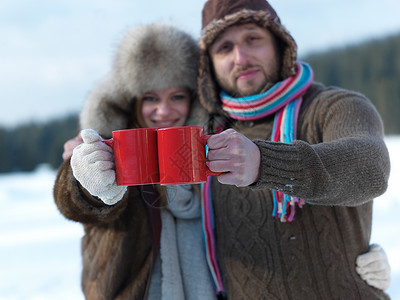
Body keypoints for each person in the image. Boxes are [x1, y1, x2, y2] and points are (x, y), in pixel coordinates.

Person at [55, 21, 390, 300]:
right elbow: (75, 202)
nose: (163, 110)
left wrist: (352, 259)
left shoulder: (212, 151)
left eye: (177, 97)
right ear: (130, 101)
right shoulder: (106, 155)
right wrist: (83, 180)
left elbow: (364, 170)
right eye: (150, 98)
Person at [193, 0, 392, 298]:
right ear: (209, 65)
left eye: (253, 39)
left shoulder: (334, 107)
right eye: (224, 48)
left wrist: (264, 162)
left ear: (279, 43)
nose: (241, 57)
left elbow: (371, 168)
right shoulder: (204, 135)